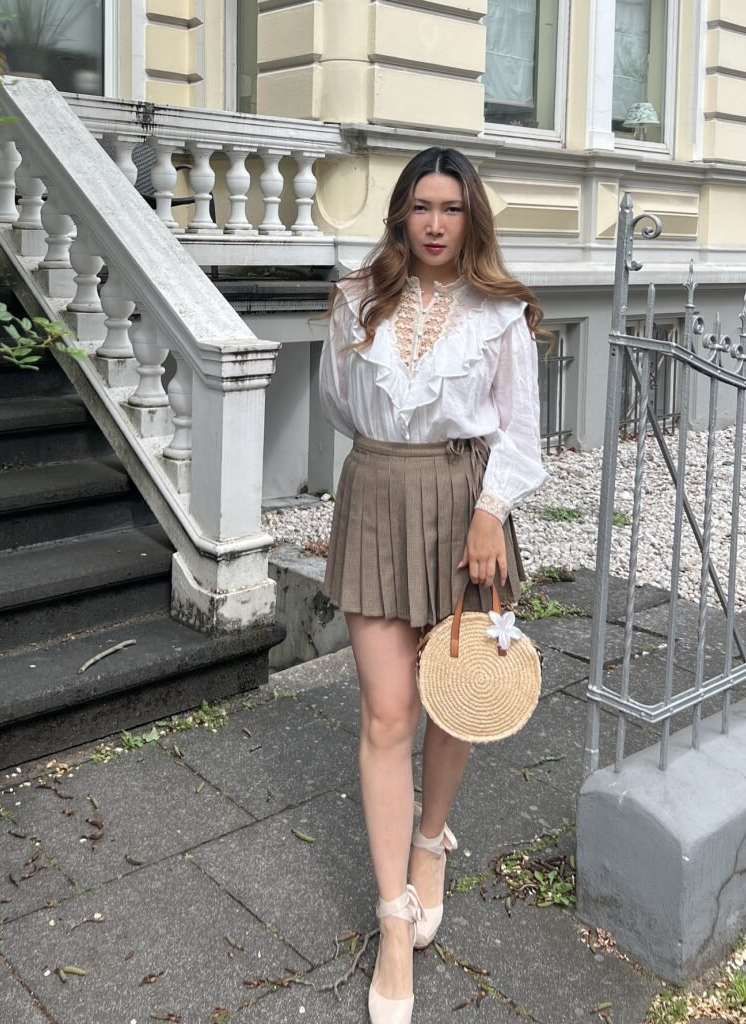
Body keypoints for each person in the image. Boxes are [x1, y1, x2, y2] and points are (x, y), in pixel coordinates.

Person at [318, 147, 547, 1023]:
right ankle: (391, 919)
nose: (437, 223)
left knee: (451, 694)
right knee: (386, 712)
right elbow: (340, 404)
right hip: (375, 494)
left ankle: (429, 843)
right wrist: (384, 464)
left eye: (452, 207)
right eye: (421, 206)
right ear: (401, 215)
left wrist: (490, 508)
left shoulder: (499, 315)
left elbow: (522, 432)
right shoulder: (354, 299)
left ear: (471, 216)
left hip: (465, 504)